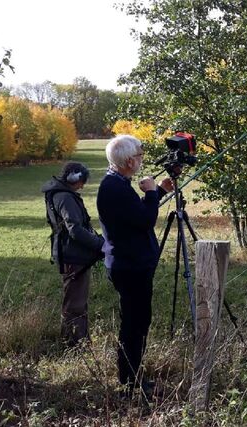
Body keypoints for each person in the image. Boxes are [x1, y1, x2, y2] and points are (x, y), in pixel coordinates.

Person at [97, 135, 173, 397]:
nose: (142, 159)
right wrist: (152, 192)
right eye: (140, 156)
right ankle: (129, 382)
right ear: (129, 161)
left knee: (138, 322)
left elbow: (133, 215)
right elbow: (144, 221)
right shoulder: (114, 188)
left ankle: (133, 376)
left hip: (132, 265)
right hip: (130, 268)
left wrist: (159, 191)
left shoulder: (117, 183)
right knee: (135, 325)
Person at [42, 162, 104, 347]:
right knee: (75, 304)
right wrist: (100, 244)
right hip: (73, 256)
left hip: (72, 254)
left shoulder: (59, 194)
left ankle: (80, 342)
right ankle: (74, 345)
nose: (83, 185)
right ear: (74, 178)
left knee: (77, 301)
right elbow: (75, 229)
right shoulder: (65, 197)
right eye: (82, 181)